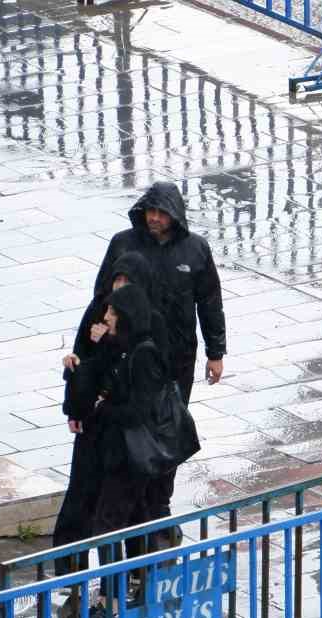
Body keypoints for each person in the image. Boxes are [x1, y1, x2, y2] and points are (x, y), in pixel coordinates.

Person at [93, 181, 224, 534]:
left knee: (169, 426)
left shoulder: (196, 250)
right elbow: (102, 295)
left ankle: (159, 501)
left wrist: (215, 351)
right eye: (150, 211)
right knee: (133, 425)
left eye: (162, 213)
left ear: (175, 215)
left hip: (178, 359)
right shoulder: (124, 243)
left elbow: (209, 301)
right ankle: (134, 500)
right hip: (132, 356)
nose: (154, 218)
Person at [60, 285, 172, 618]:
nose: (105, 316)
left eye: (112, 312)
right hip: (118, 453)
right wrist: (77, 367)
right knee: (128, 520)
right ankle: (136, 589)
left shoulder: (144, 354)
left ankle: (111, 604)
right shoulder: (120, 347)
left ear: (126, 316)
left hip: (132, 458)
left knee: (108, 525)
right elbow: (98, 375)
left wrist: (102, 408)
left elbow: (139, 410)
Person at [53, 252, 154, 576]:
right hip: (96, 423)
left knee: (127, 507)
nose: (119, 288)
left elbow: (141, 389)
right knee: (81, 495)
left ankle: (136, 573)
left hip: (125, 433)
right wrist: (75, 402)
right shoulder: (100, 311)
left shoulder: (147, 329)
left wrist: (108, 343)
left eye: (127, 281)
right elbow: (85, 361)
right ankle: (71, 571)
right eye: (117, 280)